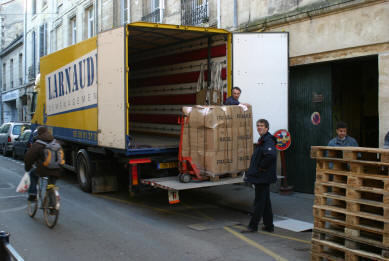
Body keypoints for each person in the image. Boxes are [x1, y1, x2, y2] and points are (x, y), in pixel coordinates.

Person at [241, 119, 277, 233]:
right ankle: (269, 225)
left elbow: (271, 155)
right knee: (265, 203)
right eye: (258, 125)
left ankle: (253, 226)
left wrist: (261, 167)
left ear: (267, 128)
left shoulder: (268, 140)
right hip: (262, 176)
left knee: (259, 203)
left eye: (261, 126)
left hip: (263, 177)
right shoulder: (263, 140)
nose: (259, 127)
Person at [25, 126, 61, 201]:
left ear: (39, 133)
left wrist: (27, 168)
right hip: (56, 169)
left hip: (43, 169)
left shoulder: (37, 144)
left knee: (32, 174)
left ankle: (32, 194)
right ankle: (53, 208)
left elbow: (29, 157)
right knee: (51, 186)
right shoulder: (56, 142)